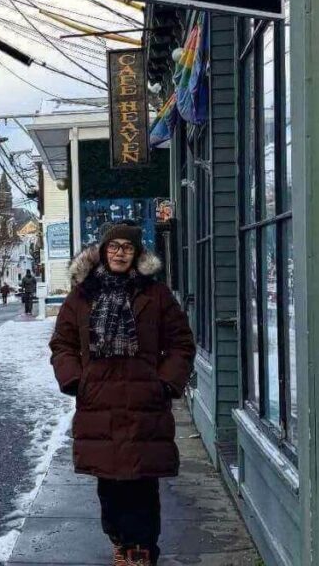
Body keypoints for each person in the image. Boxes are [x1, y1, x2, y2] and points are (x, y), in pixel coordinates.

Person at [49, 222, 195, 566]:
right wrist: (75, 379)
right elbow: (62, 343)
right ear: (102, 251)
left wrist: (165, 383)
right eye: (113, 247)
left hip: (145, 403)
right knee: (110, 485)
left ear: (136, 253)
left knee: (142, 484)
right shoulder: (82, 294)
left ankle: (141, 551)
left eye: (126, 248)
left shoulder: (155, 295)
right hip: (99, 402)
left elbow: (181, 343)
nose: (119, 253)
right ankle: (119, 539)